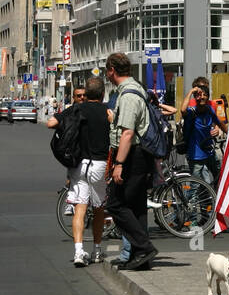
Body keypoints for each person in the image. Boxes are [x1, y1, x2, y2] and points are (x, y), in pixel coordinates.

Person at [104, 52, 159, 271]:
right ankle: (140, 256)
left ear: (111, 70)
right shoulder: (137, 88)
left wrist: (118, 164)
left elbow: (127, 133)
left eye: (107, 72)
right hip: (139, 154)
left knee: (115, 204)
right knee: (136, 206)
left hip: (132, 155)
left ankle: (144, 247)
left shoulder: (128, 95)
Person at [58, 80, 111, 266]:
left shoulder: (77, 110)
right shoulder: (107, 112)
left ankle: (79, 252)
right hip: (100, 164)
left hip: (80, 164)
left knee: (79, 209)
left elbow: (51, 122)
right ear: (103, 94)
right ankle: (97, 251)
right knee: (99, 209)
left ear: (86, 94)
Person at [183, 77, 228, 187]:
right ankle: (197, 203)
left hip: (210, 149)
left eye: (205, 90)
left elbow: (220, 122)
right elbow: (182, 111)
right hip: (196, 152)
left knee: (218, 175)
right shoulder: (191, 107)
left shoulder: (211, 106)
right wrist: (190, 93)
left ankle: (212, 200)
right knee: (200, 184)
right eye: (199, 91)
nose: (202, 95)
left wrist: (221, 130)